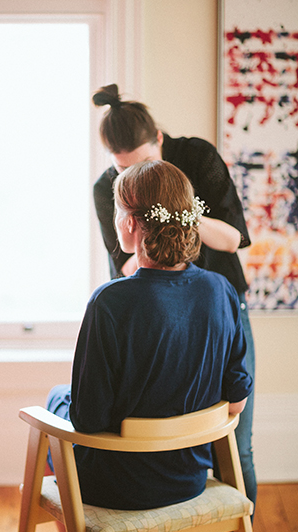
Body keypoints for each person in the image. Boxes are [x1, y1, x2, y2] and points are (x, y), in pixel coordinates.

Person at [90, 84, 256, 532]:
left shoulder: (196, 157)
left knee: (236, 448)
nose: (132, 176)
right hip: (154, 311)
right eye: (125, 171)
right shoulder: (108, 188)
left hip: (215, 313)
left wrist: (174, 211)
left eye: (142, 164)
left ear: (159, 139)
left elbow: (234, 236)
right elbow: (124, 262)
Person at [46, 160, 253, 513]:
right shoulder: (221, 291)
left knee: (54, 402)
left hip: (116, 485)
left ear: (129, 223)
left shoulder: (109, 302)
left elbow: (89, 421)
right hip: (189, 480)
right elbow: (236, 402)